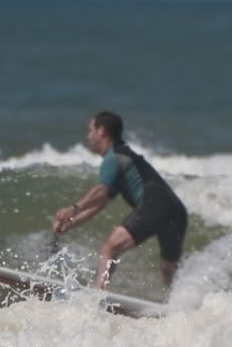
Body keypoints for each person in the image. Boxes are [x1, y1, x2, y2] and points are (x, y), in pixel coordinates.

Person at [53, 111, 188, 290]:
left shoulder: (114, 156)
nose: (88, 136)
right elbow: (98, 205)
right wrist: (70, 223)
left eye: (91, 130)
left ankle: (97, 296)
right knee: (168, 269)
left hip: (155, 204)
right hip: (177, 212)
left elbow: (100, 190)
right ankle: (177, 305)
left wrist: (74, 208)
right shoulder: (125, 158)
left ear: (102, 131)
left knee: (109, 248)